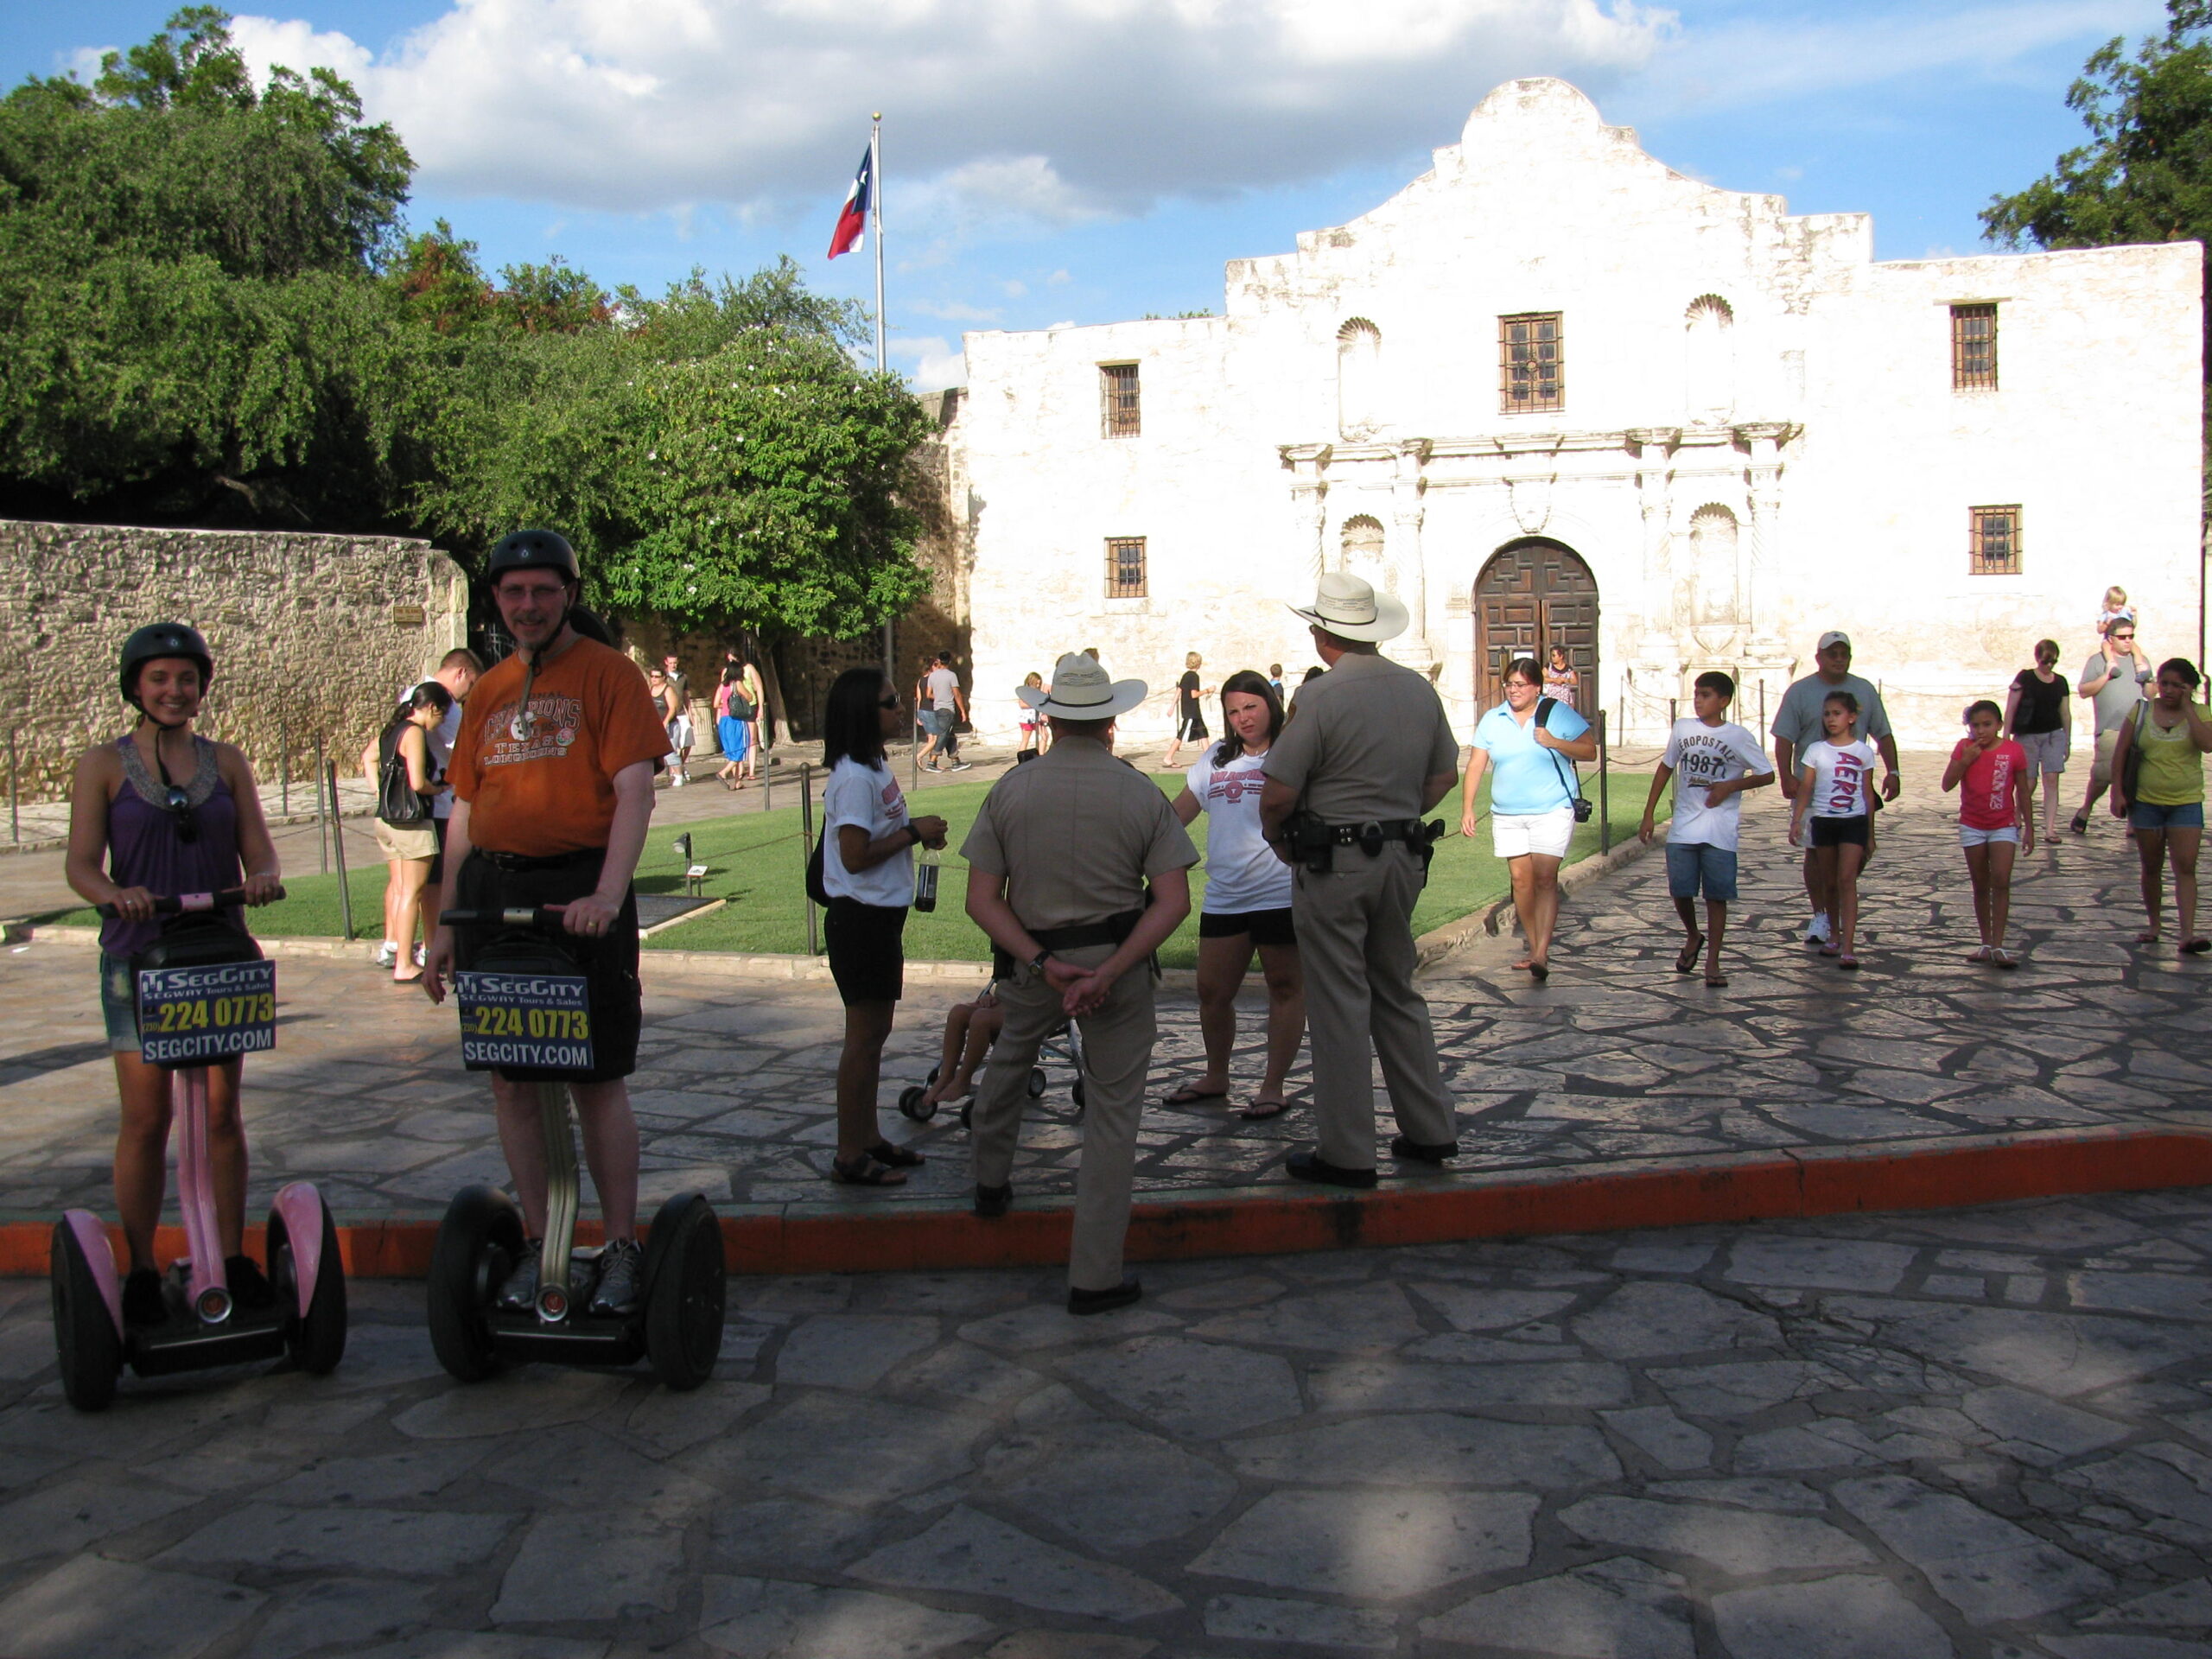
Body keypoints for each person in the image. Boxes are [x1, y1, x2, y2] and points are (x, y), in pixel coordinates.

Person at [422, 530, 671, 1318]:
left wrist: (606, 892)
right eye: (513, 593)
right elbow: (463, 812)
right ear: (495, 599)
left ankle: (624, 1245)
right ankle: (542, 1241)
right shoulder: (488, 690)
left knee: (596, 1079)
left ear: (569, 593)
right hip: (496, 895)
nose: (527, 606)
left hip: (579, 890)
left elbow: (635, 792)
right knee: (513, 1077)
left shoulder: (610, 676)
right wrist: (443, 924)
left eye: (543, 591)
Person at [962, 652, 1196, 1313]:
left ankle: (989, 1181)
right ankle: (1094, 1272)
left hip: (1033, 960)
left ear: (1050, 720)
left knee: (1009, 1063)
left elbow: (983, 900)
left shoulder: (1011, 790)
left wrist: (1041, 963)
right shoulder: (1138, 791)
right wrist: (1110, 972)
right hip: (1114, 962)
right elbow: (1172, 902)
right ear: (1111, 723)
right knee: (1114, 1115)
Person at [64, 623, 284, 1325]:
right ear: (135, 685)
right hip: (139, 956)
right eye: (159, 679)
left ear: (201, 687)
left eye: (185, 679)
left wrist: (265, 882)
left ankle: (230, 1256)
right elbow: (80, 864)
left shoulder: (227, 762)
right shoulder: (102, 764)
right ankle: (139, 1267)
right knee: (147, 1117)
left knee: (221, 1113)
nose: (173, 691)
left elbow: (262, 854)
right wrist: (112, 895)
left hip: (216, 957)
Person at [1260, 573, 1460, 1188]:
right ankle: (1430, 1129)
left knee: (1340, 1002)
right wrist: (1394, 810)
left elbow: (1278, 793)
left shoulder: (1320, 698)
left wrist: (1282, 840)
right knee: (1397, 990)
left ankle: (1348, 1150)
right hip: (1401, 857)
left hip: (1335, 861)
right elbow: (1442, 778)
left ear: (1323, 634)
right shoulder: (1417, 691)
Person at [819, 667, 950, 1185]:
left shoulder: (873, 770)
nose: (900, 709)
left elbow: (883, 832)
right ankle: (850, 1153)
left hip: (880, 918)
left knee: (876, 1035)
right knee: (863, 1038)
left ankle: (869, 1136)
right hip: (860, 919)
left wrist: (917, 834)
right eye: (890, 702)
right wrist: (914, 832)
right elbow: (854, 857)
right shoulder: (853, 777)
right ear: (861, 714)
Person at [1164, 671, 1305, 1119]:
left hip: (1280, 891)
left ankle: (1273, 1085)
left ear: (1270, 705)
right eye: (1233, 711)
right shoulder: (1215, 759)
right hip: (1225, 894)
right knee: (1212, 991)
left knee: (1284, 987)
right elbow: (1175, 817)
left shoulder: (1292, 755)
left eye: (1251, 707)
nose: (1243, 718)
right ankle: (1216, 1075)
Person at [1459, 658, 1598, 979]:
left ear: (1537, 687)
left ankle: (1540, 952)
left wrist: (1554, 742)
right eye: (1510, 684)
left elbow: (1589, 750)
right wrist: (1467, 808)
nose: (1514, 690)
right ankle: (1535, 947)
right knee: (1520, 881)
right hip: (1508, 813)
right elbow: (1477, 764)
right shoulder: (1493, 719)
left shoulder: (1556, 713)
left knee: (1545, 877)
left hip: (1552, 808)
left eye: (1521, 684)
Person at [1638, 671, 1774, 988]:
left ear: (1723, 701)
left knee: (1716, 895)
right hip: (1685, 825)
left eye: (1706, 695)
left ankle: (1713, 960)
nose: (1699, 700)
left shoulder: (1739, 736)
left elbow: (1767, 774)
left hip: (1719, 828)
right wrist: (1649, 813)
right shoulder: (1683, 728)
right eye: (1697, 694)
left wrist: (1731, 786)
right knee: (1680, 889)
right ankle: (1692, 934)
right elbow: (1665, 768)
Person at [1771, 632, 1900, 946]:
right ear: (1820, 657)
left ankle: (1838, 902)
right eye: (1832, 653)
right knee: (1815, 854)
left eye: (1844, 653)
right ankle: (1822, 915)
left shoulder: (1864, 690)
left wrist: (1893, 770)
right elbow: (1784, 737)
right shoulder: (1800, 692)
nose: (1839, 658)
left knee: (1853, 857)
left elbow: (1882, 733)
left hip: (1852, 791)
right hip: (1813, 787)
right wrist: (1787, 775)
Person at [2107, 657, 2212, 954]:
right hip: (2147, 802)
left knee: (2186, 866)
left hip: (2186, 801)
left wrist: (2189, 709)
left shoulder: (2202, 713)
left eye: (2175, 685)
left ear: (2188, 687)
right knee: (2151, 866)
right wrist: (2117, 792)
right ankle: (2154, 924)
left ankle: (2187, 933)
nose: (2166, 689)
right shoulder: (2141, 711)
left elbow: (2207, 744)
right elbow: (2121, 753)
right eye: (2163, 683)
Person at [359, 682, 452, 985]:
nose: (439, 724)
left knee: (401, 890)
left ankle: (399, 953)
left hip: (387, 820)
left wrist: (380, 791)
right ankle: (405, 964)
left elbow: (368, 756)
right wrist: (439, 788)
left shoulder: (391, 729)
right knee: (414, 893)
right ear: (432, 709)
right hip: (412, 821)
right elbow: (417, 782)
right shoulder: (414, 732)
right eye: (441, 717)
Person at [1788, 690, 1878, 971]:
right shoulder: (1815, 751)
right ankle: (1834, 934)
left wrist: (1871, 834)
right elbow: (1807, 787)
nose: (1831, 719)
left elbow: (1867, 793)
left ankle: (1849, 945)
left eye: (1836, 713)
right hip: (1824, 820)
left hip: (1853, 820)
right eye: (1827, 714)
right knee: (1829, 881)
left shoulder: (1863, 752)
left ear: (1851, 717)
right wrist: (1798, 819)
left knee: (1846, 878)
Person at [1944, 700, 2036, 968]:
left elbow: (2023, 791)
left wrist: (2029, 827)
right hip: (1972, 824)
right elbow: (1947, 783)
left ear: (1999, 725)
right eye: (1975, 725)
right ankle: (1985, 942)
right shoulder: (1964, 748)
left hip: (2003, 824)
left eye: (1987, 725)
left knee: (2002, 880)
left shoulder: (2013, 751)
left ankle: (1999, 944)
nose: (1981, 730)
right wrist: (1965, 761)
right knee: (1980, 883)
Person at [419, 648, 483, 955]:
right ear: (460, 674)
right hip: (440, 802)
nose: (466, 695)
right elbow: (463, 748)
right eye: (469, 686)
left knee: (419, 881)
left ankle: (411, 944)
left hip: (438, 800)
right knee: (436, 881)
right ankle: (434, 944)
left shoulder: (419, 695)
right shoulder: (437, 699)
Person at [2073, 616, 2152, 835]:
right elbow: (2084, 691)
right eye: (2122, 637)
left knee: (2135, 775)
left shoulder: (2141, 660)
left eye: (2131, 637)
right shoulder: (2097, 661)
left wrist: (2149, 681)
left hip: (2137, 728)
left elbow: (2151, 694)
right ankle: (2086, 809)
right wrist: (2106, 676)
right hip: (2110, 728)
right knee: (2103, 774)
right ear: (2111, 639)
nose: (2127, 641)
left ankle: (2132, 821)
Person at [2005, 639, 2071, 842]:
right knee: (2029, 782)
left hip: (2053, 735)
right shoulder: (2025, 677)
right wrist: (2006, 735)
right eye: (2046, 661)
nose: (2049, 665)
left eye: (2053, 661)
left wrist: (2068, 741)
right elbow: (2011, 707)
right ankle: (2018, 814)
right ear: (2038, 658)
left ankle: (2050, 828)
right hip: (2028, 736)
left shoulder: (2060, 682)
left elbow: (2065, 713)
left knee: (2052, 779)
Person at [917, 985, 1006, 1115]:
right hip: (1006, 1003)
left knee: (981, 1018)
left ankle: (963, 1079)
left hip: (1032, 1009)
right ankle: (946, 1075)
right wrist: (991, 998)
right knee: (958, 1013)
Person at [1164, 652, 1214, 768]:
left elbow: (1179, 691)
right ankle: (1168, 757)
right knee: (1182, 734)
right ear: (1198, 663)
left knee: (1203, 733)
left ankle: (1209, 759)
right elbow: (1194, 694)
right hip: (1191, 711)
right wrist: (1207, 690)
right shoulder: (1194, 677)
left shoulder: (1186, 675)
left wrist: (1172, 706)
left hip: (1191, 710)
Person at [924, 651, 970, 772]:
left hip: (937, 708)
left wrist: (939, 696)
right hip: (947, 708)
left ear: (939, 660)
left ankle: (955, 761)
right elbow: (957, 694)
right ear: (949, 661)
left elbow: (928, 694)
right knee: (943, 734)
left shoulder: (932, 676)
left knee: (950, 735)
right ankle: (932, 762)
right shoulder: (951, 675)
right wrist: (963, 711)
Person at [715, 663, 753, 788]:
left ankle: (737, 782)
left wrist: (726, 706)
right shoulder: (737, 684)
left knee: (732, 751)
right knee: (740, 749)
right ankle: (723, 772)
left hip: (724, 721)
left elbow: (715, 704)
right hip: (736, 720)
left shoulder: (722, 686)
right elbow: (749, 697)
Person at [661, 653, 693, 785]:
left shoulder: (683, 677)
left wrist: (690, 713)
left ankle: (680, 765)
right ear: (666, 662)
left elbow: (686, 696)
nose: (673, 665)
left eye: (675, 663)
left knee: (688, 741)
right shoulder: (663, 678)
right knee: (673, 745)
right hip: (670, 714)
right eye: (671, 663)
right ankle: (677, 770)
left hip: (681, 713)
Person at [1017, 671, 1046, 756]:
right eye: (1036, 683)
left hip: (1037, 718)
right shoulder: (1024, 691)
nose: (1037, 686)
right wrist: (1034, 704)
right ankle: (1021, 758)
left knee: (1045, 736)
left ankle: (1041, 755)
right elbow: (1022, 704)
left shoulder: (1037, 691)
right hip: (1027, 719)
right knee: (1026, 740)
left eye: (1039, 684)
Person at [1543, 644, 1580, 708]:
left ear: (1561, 656)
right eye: (1552, 655)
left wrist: (1565, 680)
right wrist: (1554, 680)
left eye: (1554, 655)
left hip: (1565, 700)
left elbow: (1574, 681)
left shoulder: (1568, 668)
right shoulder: (1548, 667)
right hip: (1552, 700)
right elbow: (1542, 679)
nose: (1552, 657)